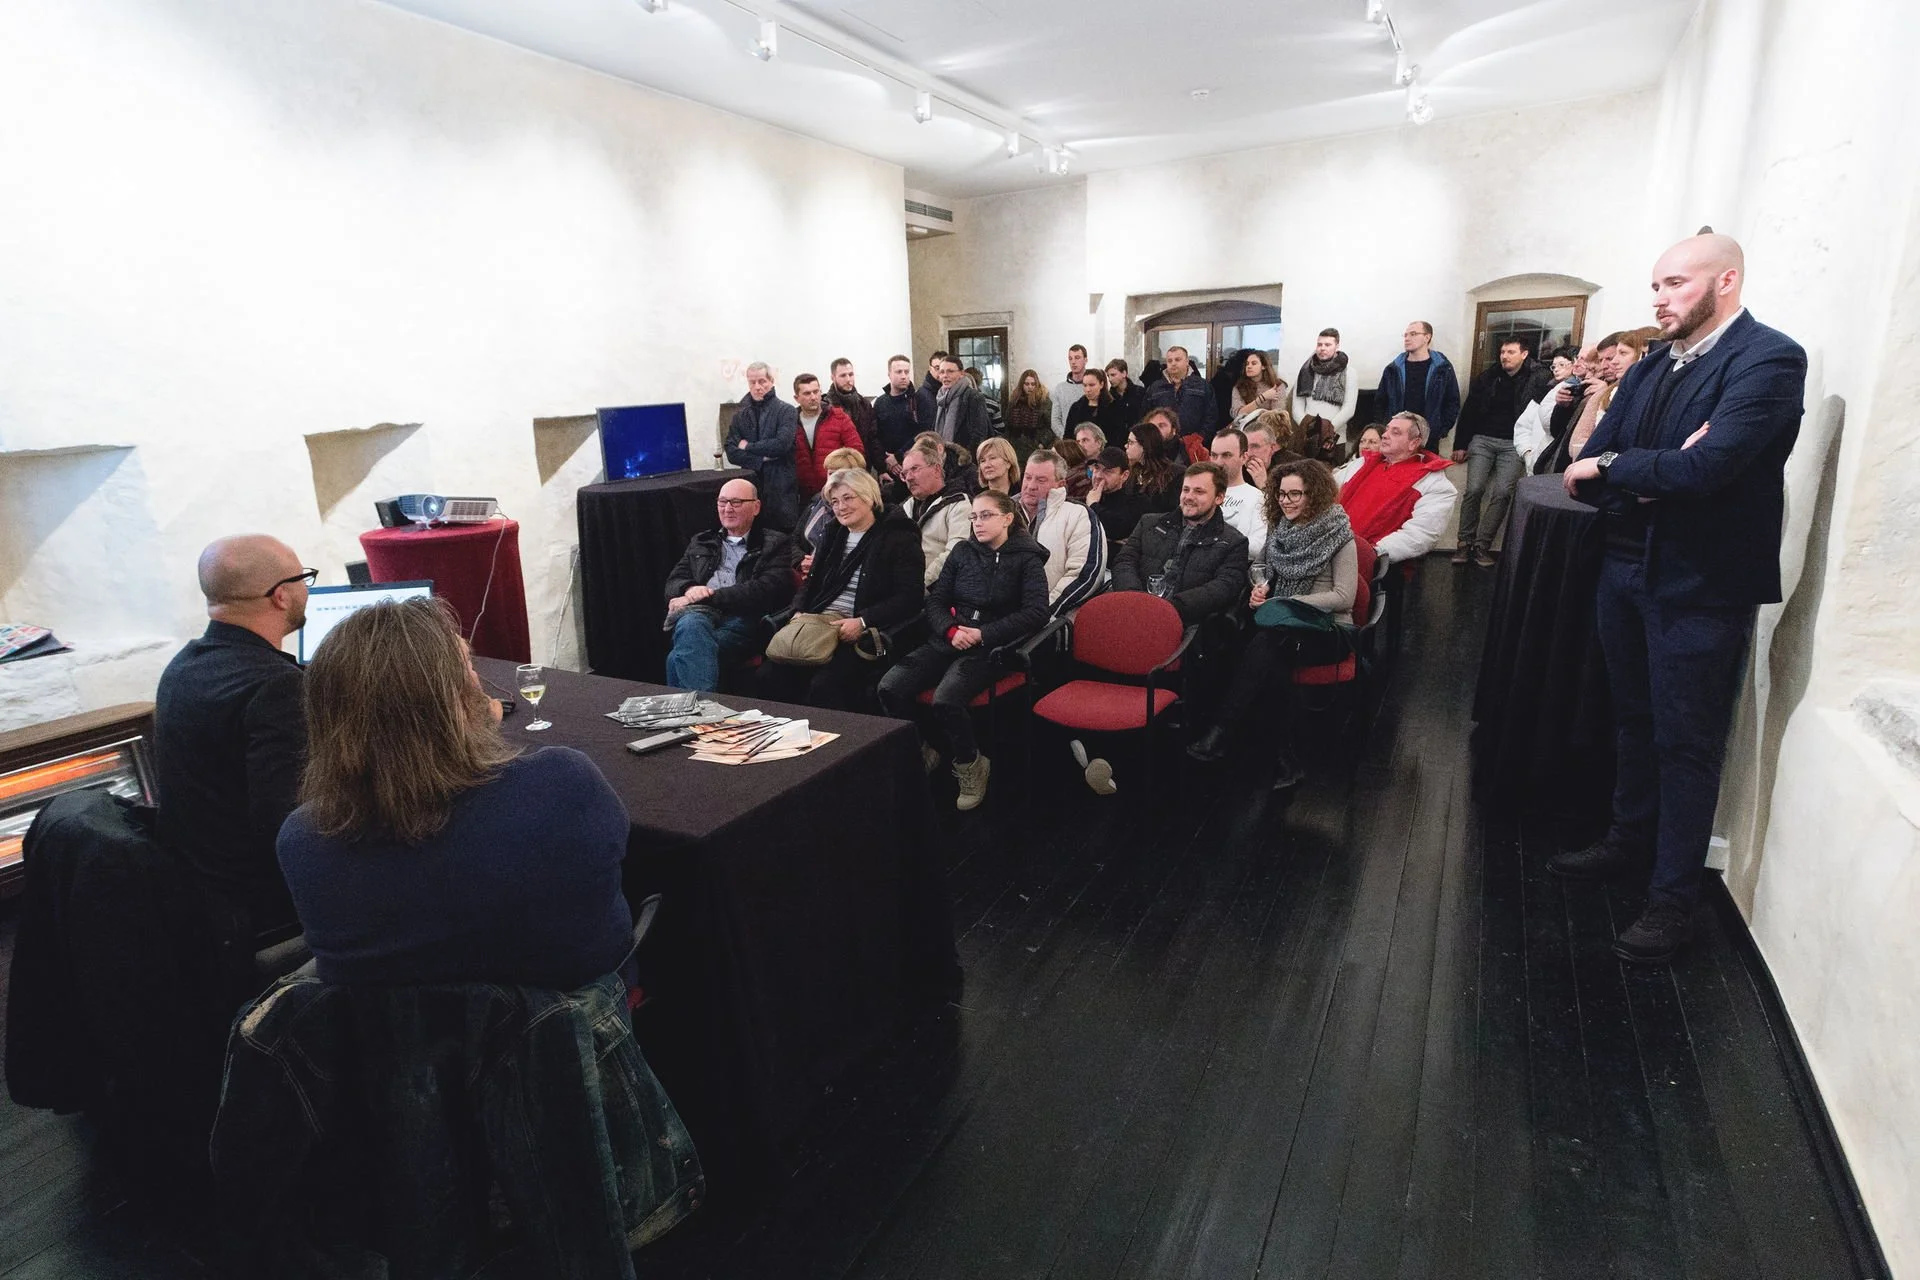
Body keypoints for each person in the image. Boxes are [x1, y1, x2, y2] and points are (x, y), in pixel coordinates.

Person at [1552, 233, 1807, 965]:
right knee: (1631, 717)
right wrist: (1641, 461)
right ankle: (1629, 843)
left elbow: (1711, 468)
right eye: (1655, 285)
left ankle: (1673, 901)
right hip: (1625, 564)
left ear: (1726, 281)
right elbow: (1594, 455)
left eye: (1675, 283)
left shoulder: (1768, 357)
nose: (1659, 298)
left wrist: (1622, 463)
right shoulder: (1656, 362)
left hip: (1700, 584)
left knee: (1687, 742)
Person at [278, 597, 632, 989]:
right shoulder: (563, 782)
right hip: (566, 1035)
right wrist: (480, 734)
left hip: (399, 1046)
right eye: (467, 665)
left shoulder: (303, 840)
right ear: (453, 700)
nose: (478, 679)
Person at [153, 534, 312, 937]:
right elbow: (289, 827)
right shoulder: (275, 686)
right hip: (259, 904)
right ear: (280, 596)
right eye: (303, 579)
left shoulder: (183, 666)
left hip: (195, 889)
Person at [1186, 459, 1357, 784]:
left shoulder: (1340, 535)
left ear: (1315, 495)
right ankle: (1280, 755)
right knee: (1251, 647)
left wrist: (1288, 602)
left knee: (1267, 644)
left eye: (1296, 494)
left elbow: (1344, 597)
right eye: (1281, 494)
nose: (1287, 501)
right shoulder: (1281, 530)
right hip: (1283, 624)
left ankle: (1222, 733)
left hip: (1327, 629)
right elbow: (1260, 567)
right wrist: (1261, 587)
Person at [878, 491, 1051, 810]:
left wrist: (983, 634)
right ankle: (925, 748)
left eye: (986, 515)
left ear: (1007, 519)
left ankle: (970, 762)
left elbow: (1037, 612)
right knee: (890, 687)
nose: (977, 522)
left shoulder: (1027, 558)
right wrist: (951, 629)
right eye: (973, 516)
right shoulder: (962, 551)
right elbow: (936, 601)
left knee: (946, 698)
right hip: (951, 637)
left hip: (994, 646)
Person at [757, 468, 924, 711]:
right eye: (834, 501)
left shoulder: (899, 536)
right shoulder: (834, 532)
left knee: (824, 684)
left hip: (863, 629)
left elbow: (910, 598)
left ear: (868, 497)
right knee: (768, 676)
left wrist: (863, 621)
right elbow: (811, 582)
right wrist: (798, 611)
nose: (840, 507)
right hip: (820, 623)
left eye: (848, 498)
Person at [662, 478, 795, 693]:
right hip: (700, 613)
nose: (727, 509)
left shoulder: (774, 543)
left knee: (679, 654)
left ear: (756, 507)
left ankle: (695, 715)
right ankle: (702, 715)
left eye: (736, 502)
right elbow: (673, 581)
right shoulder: (703, 541)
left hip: (743, 619)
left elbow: (767, 589)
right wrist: (688, 589)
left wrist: (709, 595)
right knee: (692, 628)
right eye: (722, 502)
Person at [1451, 339, 1554, 566]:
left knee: (1502, 493)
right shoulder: (1488, 377)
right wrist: (1461, 443)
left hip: (1513, 443)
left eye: (1510, 352)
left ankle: (1482, 546)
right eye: (1502, 352)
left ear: (1524, 354)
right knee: (1474, 489)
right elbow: (1469, 410)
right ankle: (1463, 543)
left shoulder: (1538, 378)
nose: (1504, 356)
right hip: (1483, 439)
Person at [1111, 462, 1250, 626]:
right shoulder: (1148, 523)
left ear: (1219, 498)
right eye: (1186, 489)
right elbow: (1124, 562)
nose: (1189, 496)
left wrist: (1170, 608)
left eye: (1199, 491)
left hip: (1184, 624)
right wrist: (1135, 598)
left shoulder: (1233, 542)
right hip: (1131, 609)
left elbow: (1222, 589)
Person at [1335, 411, 1457, 565]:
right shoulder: (1362, 464)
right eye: (1386, 430)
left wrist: (1373, 553)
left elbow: (1419, 535)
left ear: (1414, 443)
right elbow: (1326, 493)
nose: (1385, 435)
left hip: (1374, 565)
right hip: (1331, 550)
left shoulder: (1434, 483)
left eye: (1395, 432)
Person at [1017, 449, 1108, 617]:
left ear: (1061, 484)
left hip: (1051, 621)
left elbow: (1085, 575)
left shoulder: (1079, 515)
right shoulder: (1002, 511)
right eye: (1028, 477)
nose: (1030, 486)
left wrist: (1042, 613)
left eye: (1041, 480)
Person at [725, 362, 800, 529]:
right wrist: (762, 459)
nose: (757, 387)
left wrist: (748, 447)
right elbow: (730, 451)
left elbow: (781, 445)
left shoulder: (786, 411)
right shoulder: (740, 415)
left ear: (771, 381)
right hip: (750, 483)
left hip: (780, 487)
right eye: (752, 382)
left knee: (781, 536)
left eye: (762, 381)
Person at [1087, 426, 1179, 553]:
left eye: (1130, 442)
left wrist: (1093, 505)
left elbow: (1121, 525)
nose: (1126, 446)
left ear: (1145, 446)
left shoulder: (1174, 474)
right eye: (1096, 469)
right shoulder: (1132, 475)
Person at [1377, 321, 1462, 453]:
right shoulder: (1393, 369)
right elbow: (1380, 402)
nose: (1407, 338)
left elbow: (1452, 401)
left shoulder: (1443, 368)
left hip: (1429, 438)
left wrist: (1440, 429)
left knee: (1427, 473)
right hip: (1397, 436)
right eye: (1405, 335)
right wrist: (1386, 428)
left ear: (1427, 337)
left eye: (1413, 334)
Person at [899, 440, 972, 585]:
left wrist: (920, 586)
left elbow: (955, 552)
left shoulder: (960, 504)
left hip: (936, 592)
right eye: (904, 473)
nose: (909, 478)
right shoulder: (903, 509)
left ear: (937, 469)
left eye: (915, 469)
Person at [791, 373, 864, 503]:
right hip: (803, 494)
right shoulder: (790, 423)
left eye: (816, 391)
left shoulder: (839, 417)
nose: (813, 397)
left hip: (837, 489)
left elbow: (856, 452)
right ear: (797, 398)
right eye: (807, 394)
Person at [1513, 345, 1580, 472]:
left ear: (1574, 364)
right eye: (1554, 366)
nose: (1556, 369)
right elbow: (1523, 426)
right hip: (1536, 461)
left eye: (1562, 364)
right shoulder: (1543, 392)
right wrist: (1527, 453)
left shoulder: (1576, 394)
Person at [792, 447, 869, 555]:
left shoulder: (860, 510)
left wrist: (818, 563)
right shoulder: (817, 501)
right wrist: (800, 560)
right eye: (830, 473)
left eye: (839, 474)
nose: (833, 479)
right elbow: (795, 540)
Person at [1211, 428, 1270, 564]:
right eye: (1214, 455)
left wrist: (1215, 545)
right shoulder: (1200, 492)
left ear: (1244, 457)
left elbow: (1258, 547)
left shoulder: (1256, 497)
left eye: (1226, 455)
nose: (1219, 462)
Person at [1145, 346, 1214, 443]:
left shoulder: (1202, 386)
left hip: (1195, 445)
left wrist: (1199, 439)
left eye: (1177, 360)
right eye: (1169, 361)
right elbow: (1146, 416)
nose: (1173, 363)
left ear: (1187, 362)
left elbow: (1211, 417)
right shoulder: (1155, 388)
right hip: (1162, 444)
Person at [1292, 329, 1358, 430]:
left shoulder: (1349, 372)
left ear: (1337, 346)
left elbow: (1349, 409)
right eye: (1319, 344)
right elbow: (1296, 408)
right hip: (1307, 434)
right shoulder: (1305, 371)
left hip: (1335, 437)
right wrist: (1307, 428)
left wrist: (1328, 431)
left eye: (1327, 345)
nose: (1322, 348)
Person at [825, 358, 883, 472]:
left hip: (861, 467)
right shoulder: (826, 407)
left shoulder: (864, 404)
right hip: (836, 469)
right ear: (833, 378)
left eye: (851, 374)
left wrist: (881, 469)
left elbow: (873, 438)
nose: (848, 379)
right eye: (843, 375)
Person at [874, 354, 925, 476]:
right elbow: (875, 435)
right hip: (887, 467)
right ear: (889, 374)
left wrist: (898, 457)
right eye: (898, 372)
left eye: (906, 372)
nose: (903, 376)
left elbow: (922, 433)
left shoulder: (918, 400)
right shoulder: (880, 402)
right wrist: (883, 463)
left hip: (914, 465)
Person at [934, 353, 992, 451]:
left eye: (950, 371)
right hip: (943, 456)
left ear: (961, 373)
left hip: (963, 458)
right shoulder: (940, 397)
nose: (945, 376)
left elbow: (979, 435)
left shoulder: (973, 397)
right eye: (942, 372)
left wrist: (966, 459)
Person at [1229, 349, 1288, 428]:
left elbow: (1277, 415)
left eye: (1254, 363)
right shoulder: (1239, 387)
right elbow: (1238, 414)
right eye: (1247, 364)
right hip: (1244, 428)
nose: (1249, 366)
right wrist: (1262, 398)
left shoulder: (1277, 386)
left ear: (1263, 366)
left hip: (1269, 429)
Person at [1004, 369, 1054, 462]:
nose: (1030, 387)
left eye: (1033, 384)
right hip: (1015, 447)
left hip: (1036, 447)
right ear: (1022, 385)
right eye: (1027, 384)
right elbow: (1008, 426)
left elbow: (1050, 426)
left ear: (1037, 384)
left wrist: (1042, 443)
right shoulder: (1014, 402)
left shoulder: (1044, 402)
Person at [1243, 411, 1297, 492]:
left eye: (1255, 446)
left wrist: (1263, 485)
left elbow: (1288, 502)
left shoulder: (1293, 468)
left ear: (1272, 447)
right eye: (1245, 447)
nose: (1249, 453)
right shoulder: (1239, 468)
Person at [1065, 367, 1127, 437]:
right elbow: (1068, 436)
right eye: (1085, 385)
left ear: (1101, 384)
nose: (1088, 389)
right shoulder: (1076, 408)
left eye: (1092, 385)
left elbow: (1120, 436)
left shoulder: (1114, 407)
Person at [1050, 345, 1090, 439]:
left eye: (1077, 358)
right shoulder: (1060, 388)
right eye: (1070, 358)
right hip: (1067, 441)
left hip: (1089, 440)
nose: (1073, 362)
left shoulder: (1092, 386)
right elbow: (1055, 420)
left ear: (1085, 360)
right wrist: (1066, 437)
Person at [1104, 358, 1146, 425]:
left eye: (1113, 375)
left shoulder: (1140, 393)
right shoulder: (1108, 397)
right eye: (1108, 376)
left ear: (1124, 373)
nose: (1110, 379)